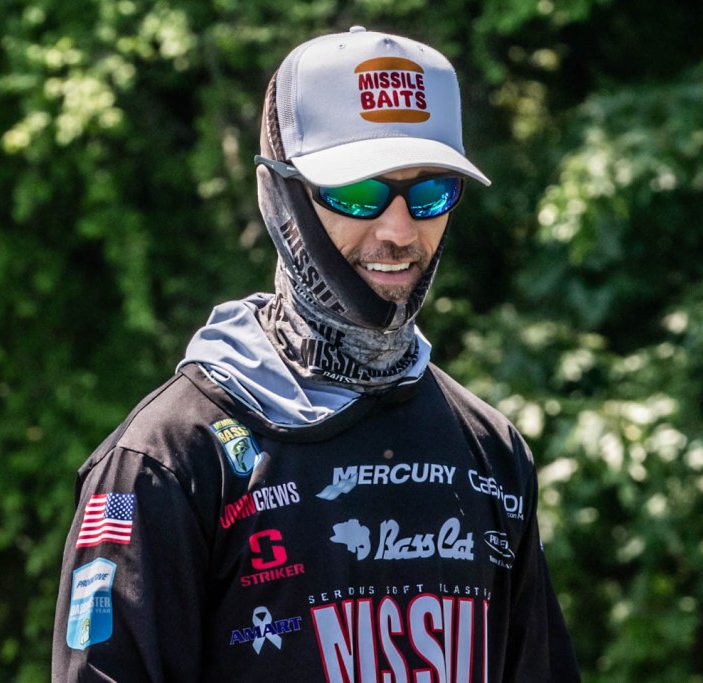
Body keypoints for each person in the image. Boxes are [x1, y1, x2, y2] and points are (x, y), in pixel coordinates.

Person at [52, 25, 580, 682]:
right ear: (281, 196)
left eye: (430, 194)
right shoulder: (166, 460)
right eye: (357, 192)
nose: (399, 230)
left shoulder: (490, 452)